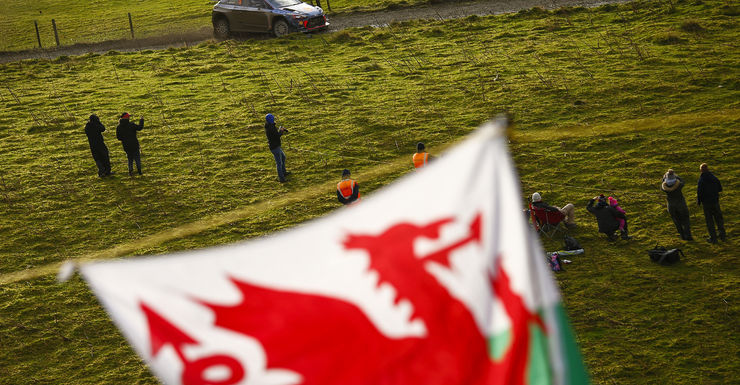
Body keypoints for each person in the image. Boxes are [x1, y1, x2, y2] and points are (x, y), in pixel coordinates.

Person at [697, 163, 725, 243]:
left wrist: (699, 201)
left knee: (709, 221)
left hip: (706, 203)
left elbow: (699, 192)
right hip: (715, 201)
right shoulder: (714, 178)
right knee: (719, 219)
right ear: (708, 169)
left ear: (701, 170)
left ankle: (713, 238)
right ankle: (722, 235)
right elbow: (720, 188)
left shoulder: (701, 180)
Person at [661, 169, 692, 241]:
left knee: (677, 221)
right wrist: (676, 176)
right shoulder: (679, 184)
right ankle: (688, 236)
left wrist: (664, 178)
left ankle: (682, 236)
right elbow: (683, 182)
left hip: (671, 206)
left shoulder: (665, 187)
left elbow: (662, 185)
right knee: (685, 220)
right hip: (681, 204)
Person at [265, 113, 289, 182]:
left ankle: (284, 172)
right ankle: (281, 179)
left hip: (276, 146)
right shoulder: (271, 128)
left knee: (283, 157)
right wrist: (281, 131)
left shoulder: (270, 126)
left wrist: (279, 129)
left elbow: (275, 134)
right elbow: (277, 136)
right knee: (279, 163)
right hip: (275, 147)